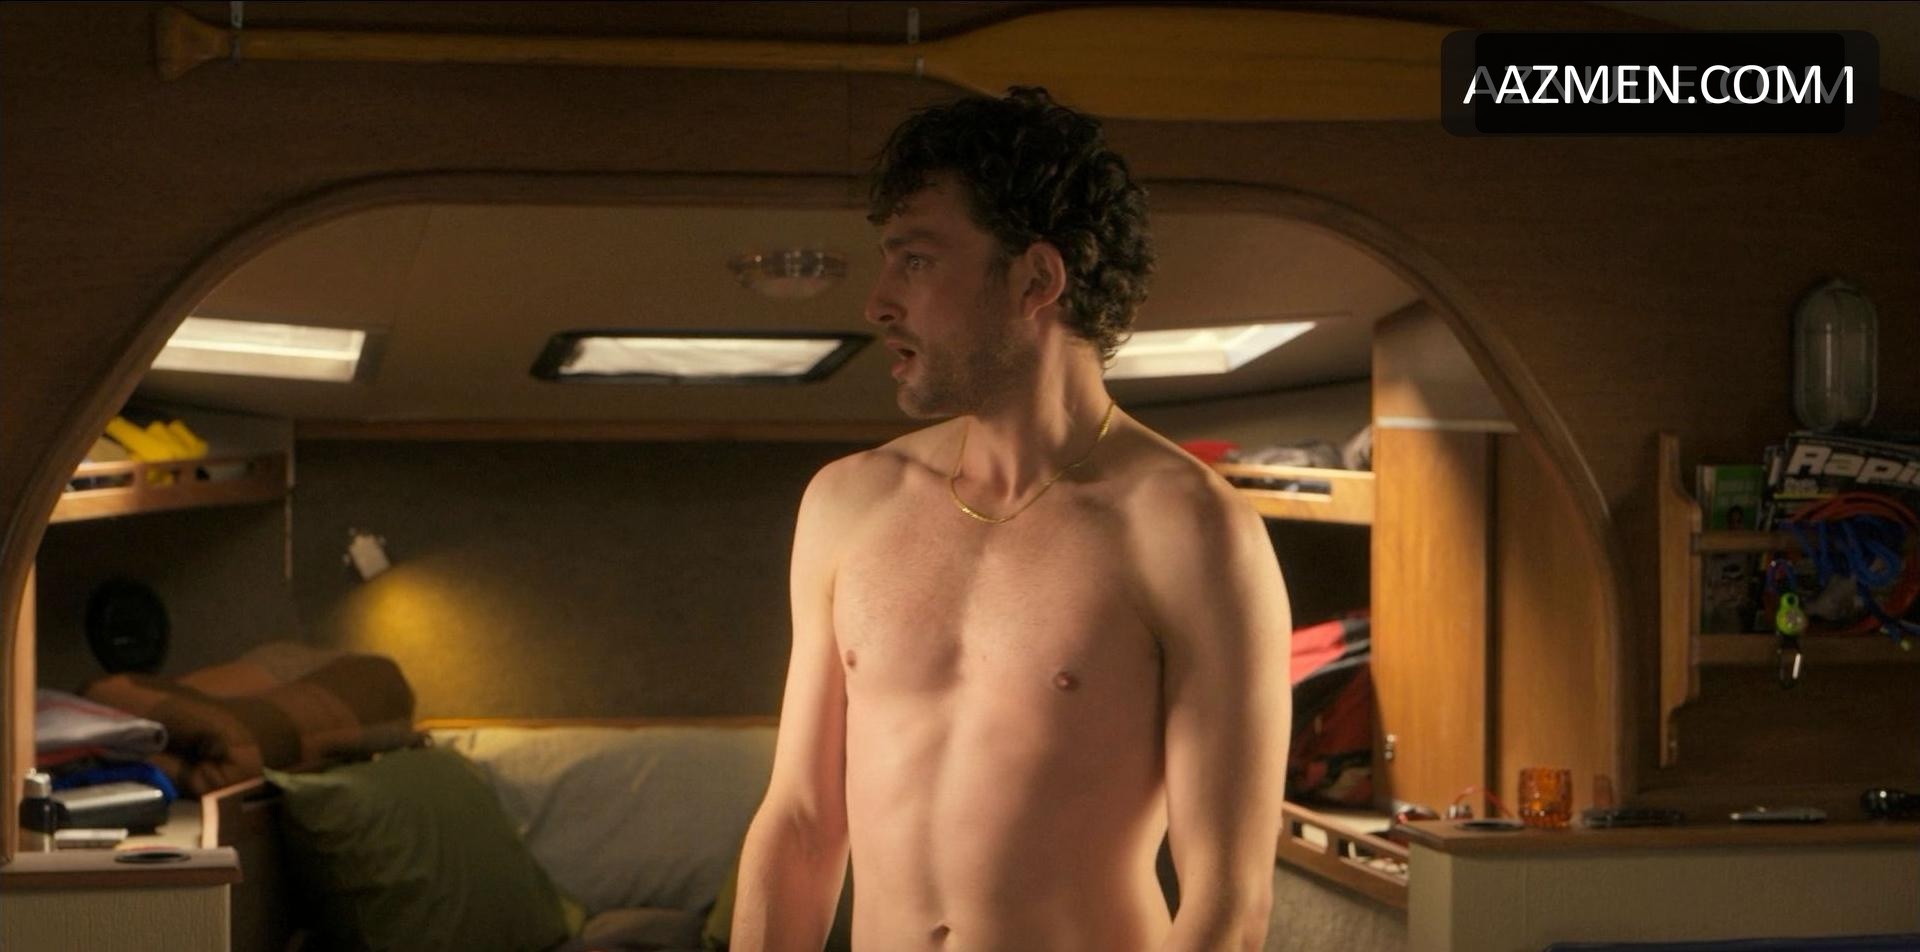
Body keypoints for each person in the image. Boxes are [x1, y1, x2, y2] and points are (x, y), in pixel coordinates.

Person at [731, 87, 1292, 952]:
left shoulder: (1189, 530)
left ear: (1036, 279)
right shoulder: (847, 503)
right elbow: (801, 825)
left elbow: (1227, 905)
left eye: (916, 261)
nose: (878, 302)